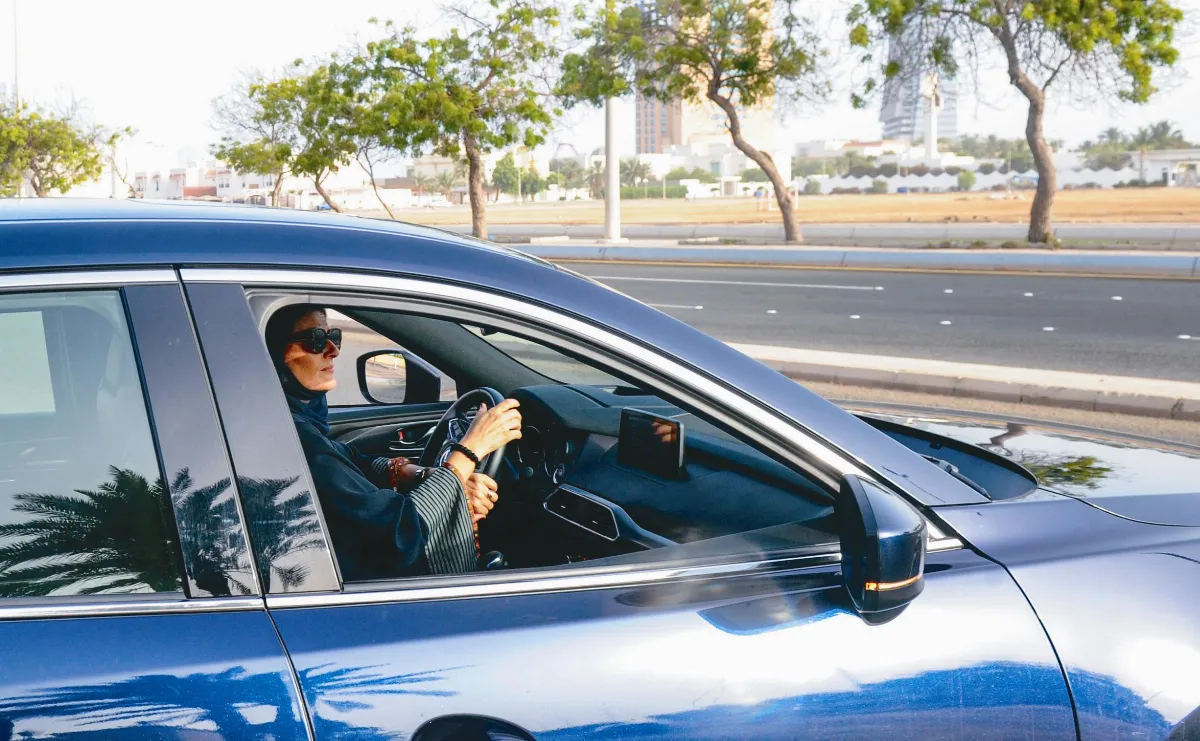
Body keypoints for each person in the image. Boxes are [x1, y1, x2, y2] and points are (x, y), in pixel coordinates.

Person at [266, 304, 522, 580]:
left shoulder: (290, 424)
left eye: (334, 336)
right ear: (273, 354)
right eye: (315, 340)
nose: (334, 350)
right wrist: (469, 452)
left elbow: (348, 459)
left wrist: (429, 476)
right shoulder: (295, 441)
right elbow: (396, 536)